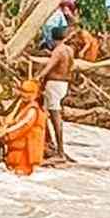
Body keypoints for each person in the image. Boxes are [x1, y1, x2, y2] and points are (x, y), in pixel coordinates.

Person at [37, 28, 75, 161]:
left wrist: (37, 78)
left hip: (54, 84)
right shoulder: (69, 50)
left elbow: (49, 67)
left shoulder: (58, 51)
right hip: (63, 84)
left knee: (55, 117)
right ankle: (50, 145)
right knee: (49, 114)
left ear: (53, 39)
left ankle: (60, 152)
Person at [1, 80, 47, 176]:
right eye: (23, 91)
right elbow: (16, 120)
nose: (24, 95)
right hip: (18, 146)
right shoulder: (22, 106)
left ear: (35, 95)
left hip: (27, 147)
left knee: (21, 173)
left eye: (28, 93)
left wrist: (7, 131)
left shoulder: (33, 109)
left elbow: (24, 123)